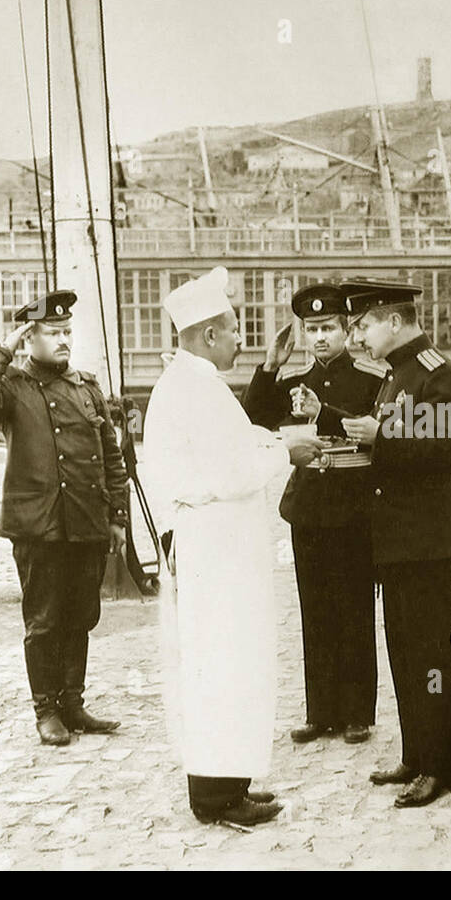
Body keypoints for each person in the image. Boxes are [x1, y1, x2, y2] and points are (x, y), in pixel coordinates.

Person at [142, 265, 326, 827]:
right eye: (234, 328)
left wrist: (272, 441)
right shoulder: (194, 389)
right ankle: (216, 796)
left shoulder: (193, 384)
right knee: (220, 665)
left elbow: (238, 441)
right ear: (207, 335)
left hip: (219, 547)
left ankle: (230, 783)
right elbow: (232, 470)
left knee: (230, 661)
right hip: (214, 549)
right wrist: (287, 452)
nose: (240, 339)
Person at [0, 291, 127, 746]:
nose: (64, 339)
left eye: (67, 331)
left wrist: (117, 516)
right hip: (39, 525)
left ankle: (73, 703)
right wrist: (4, 348)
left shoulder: (86, 387)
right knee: (44, 621)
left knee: (81, 616)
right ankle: (46, 710)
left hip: (86, 520)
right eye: (52, 333)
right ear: (30, 338)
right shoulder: (12, 386)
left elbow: (111, 456)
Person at [339, 279, 451, 808]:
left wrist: (382, 438)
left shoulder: (442, 376)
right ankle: (416, 753)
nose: (359, 337)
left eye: (365, 326)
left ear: (394, 322)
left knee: (430, 654)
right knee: (403, 650)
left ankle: (441, 767)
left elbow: (449, 447)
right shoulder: (395, 375)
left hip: (429, 543)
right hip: (399, 542)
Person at [242, 283, 386, 745]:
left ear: (346, 331)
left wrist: (323, 411)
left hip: (354, 507)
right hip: (308, 509)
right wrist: (270, 366)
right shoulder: (291, 382)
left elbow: (369, 433)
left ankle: (357, 713)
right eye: (312, 329)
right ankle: (321, 712)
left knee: (354, 609)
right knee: (315, 610)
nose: (320, 338)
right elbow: (252, 419)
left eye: (328, 329)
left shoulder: (372, 380)